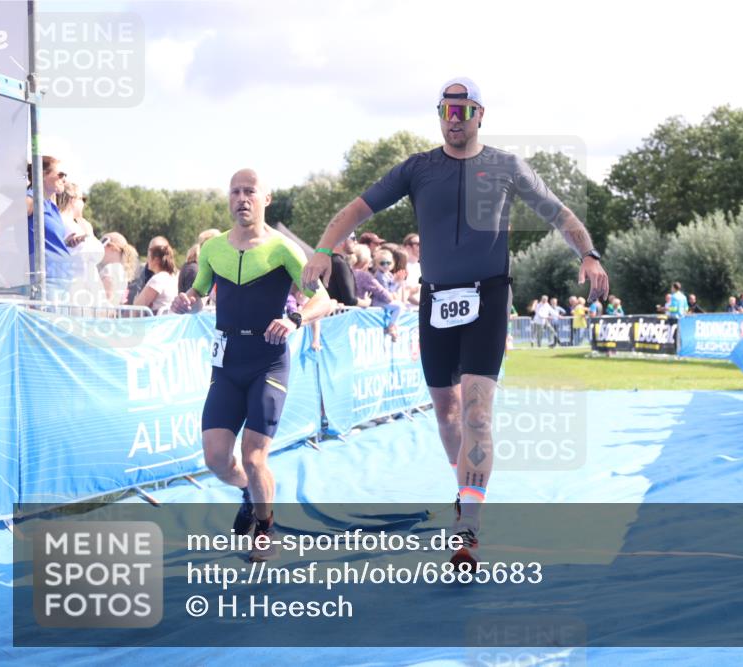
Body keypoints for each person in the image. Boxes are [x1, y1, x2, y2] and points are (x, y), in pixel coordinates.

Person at [301, 77, 609, 569]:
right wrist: (321, 249)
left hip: (488, 295)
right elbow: (355, 210)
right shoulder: (418, 168)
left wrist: (588, 254)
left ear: (480, 115)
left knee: (477, 413)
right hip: (436, 299)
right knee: (445, 412)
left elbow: (558, 212)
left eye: (463, 110)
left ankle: (468, 523)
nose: (454, 118)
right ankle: (464, 488)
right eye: (446, 109)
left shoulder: (507, 166)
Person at [171, 169, 336, 562]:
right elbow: (198, 291)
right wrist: (186, 300)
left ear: (266, 199)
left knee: (253, 455)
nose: (242, 198)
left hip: (268, 361)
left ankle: (265, 527)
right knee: (215, 459)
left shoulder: (283, 249)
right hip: (227, 363)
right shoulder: (213, 249)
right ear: (228, 199)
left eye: (250, 192)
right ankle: (250, 492)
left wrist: (295, 320)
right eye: (235, 192)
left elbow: (324, 299)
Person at [26, 156, 79, 301]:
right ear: (42, 174)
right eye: (61, 174)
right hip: (45, 283)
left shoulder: (51, 206)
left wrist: (65, 243)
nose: (64, 179)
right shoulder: (31, 199)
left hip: (60, 282)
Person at [57, 181, 108, 309]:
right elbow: (96, 254)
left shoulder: (62, 221)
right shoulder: (68, 224)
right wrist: (89, 233)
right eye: (82, 199)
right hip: (78, 295)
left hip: (78, 293)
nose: (84, 204)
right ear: (73, 199)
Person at [134, 243, 179, 314]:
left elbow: (138, 307)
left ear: (156, 260)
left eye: (148, 257)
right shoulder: (171, 276)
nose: (147, 260)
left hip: (154, 322)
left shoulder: (158, 279)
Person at [99, 232, 139, 307]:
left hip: (102, 316)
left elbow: (106, 300)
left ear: (113, 248)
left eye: (103, 245)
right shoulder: (122, 271)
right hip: (112, 316)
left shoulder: (109, 270)